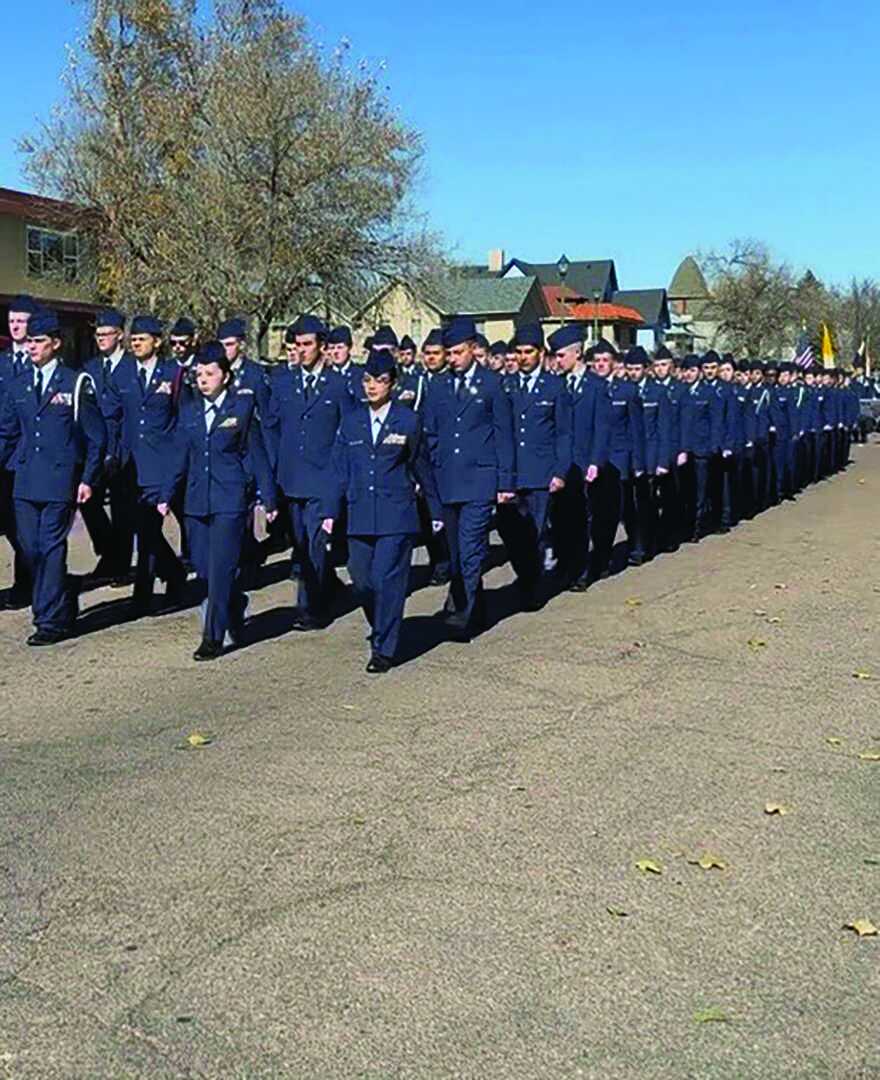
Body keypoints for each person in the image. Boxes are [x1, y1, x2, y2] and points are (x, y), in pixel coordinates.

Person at [158, 342, 277, 660]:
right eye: (199, 374)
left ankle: (212, 637)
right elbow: (179, 455)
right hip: (196, 499)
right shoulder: (190, 411)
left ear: (225, 376)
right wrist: (166, 494)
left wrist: (269, 496)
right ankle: (235, 602)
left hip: (230, 498)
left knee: (222, 568)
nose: (203, 379)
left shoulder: (241, 410)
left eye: (210, 374)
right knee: (203, 567)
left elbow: (258, 455)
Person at [328, 349, 442, 672]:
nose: (372, 387)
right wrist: (328, 511)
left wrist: (434, 510)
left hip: (396, 515)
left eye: (380, 381)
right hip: (359, 513)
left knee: (386, 580)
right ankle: (382, 623)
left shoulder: (408, 421)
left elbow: (422, 466)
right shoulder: (351, 422)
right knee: (362, 580)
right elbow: (339, 469)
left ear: (392, 383)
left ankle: (384, 649)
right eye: (367, 380)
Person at [0, 310, 106, 644]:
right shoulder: (18, 384)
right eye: (29, 340)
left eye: (39, 341)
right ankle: (64, 587)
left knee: (50, 547)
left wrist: (88, 478)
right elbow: (7, 432)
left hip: (61, 480)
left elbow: (96, 436)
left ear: (55, 344)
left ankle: (49, 620)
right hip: (26, 479)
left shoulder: (75, 382)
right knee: (29, 549)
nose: (32, 347)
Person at [422, 316, 515, 641]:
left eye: (458, 352)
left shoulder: (492, 384)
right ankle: (477, 605)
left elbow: (504, 434)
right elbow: (430, 432)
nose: (452, 359)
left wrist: (505, 482)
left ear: (474, 349)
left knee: (472, 546)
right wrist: (432, 471)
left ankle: (462, 610)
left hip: (480, 478)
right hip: (447, 479)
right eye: (448, 353)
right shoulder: (437, 385)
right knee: (456, 550)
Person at [265, 314, 351, 630]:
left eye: (307, 345)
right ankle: (328, 584)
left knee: (314, 543)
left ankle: (311, 608)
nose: (301, 351)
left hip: (323, 478)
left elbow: (347, 432)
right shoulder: (283, 381)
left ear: (322, 347)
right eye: (297, 345)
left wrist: (340, 477)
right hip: (290, 476)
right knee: (300, 544)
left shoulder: (340, 385)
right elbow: (272, 426)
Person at [107, 314, 187, 614]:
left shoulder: (174, 373)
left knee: (149, 528)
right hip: (131, 465)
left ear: (157, 341)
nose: (136, 343)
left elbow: (182, 419)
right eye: (133, 339)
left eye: (142, 339)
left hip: (163, 464)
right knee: (144, 529)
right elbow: (112, 417)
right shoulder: (122, 373)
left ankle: (147, 591)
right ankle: (169, 576)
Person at [497, 323, 571, 610]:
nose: (523, 357)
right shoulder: (506, 384)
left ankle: (531, 585)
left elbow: (564, 432)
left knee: (535, 533)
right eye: (519, 352)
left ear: (541, 353)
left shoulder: (554, 386)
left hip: (541, 472)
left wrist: (559, 471)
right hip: (512, 471)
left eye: (529, 352)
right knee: (510, 531)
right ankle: (527, 573)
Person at [81, 307, 136, 585]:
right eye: (98, 334)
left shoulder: (131, 366)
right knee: (87, 500)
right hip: (96, 445)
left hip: (124, 447)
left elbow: (133, 414)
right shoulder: (90, 369)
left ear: (119, 335)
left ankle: (120, 564)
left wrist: (121, 451)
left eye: (106, 334)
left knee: (123, 508)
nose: (101, 339)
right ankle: (108, 549)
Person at [588, 338, 645, 577]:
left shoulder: (626, 391)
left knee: (623, 508)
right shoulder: (587, 388)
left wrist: (639, 463)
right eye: (597, 361)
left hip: (619, 458)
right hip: (594, 460)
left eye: (605, 360)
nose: (601, 365)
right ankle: (601, 556)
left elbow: (636, 430)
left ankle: (635, 546)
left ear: (614, 363)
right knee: (597, 512)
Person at [0, 294, 38, 609]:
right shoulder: (2, 362)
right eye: (12, 321)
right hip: (1, 456)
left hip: (27, 458)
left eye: (21, 321)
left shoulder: (43, 363)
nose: (15, 326)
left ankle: (27, 583)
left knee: (21, 526)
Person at [625, 346, 672, 563]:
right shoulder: (622, 390)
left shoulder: (657, 392)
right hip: (629, 456)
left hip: (651, 456)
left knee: (647, 502)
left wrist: (663, 461)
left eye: (637, 368)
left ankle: (645, 545)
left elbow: (664, 430)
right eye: (630, 369)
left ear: (646, 368)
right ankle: (635, 541)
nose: (633, 373)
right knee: (629, 506)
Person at [678, 354, 723, 541]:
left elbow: (715, 422)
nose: (689, 374)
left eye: (693, 370)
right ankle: (686, 524)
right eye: (686, 370)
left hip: (701, 449)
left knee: (701, 491)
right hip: (683, 449)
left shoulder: (709, 393)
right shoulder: (679, 392)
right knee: (686, 489)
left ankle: (697, 528)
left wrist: (714, 445)